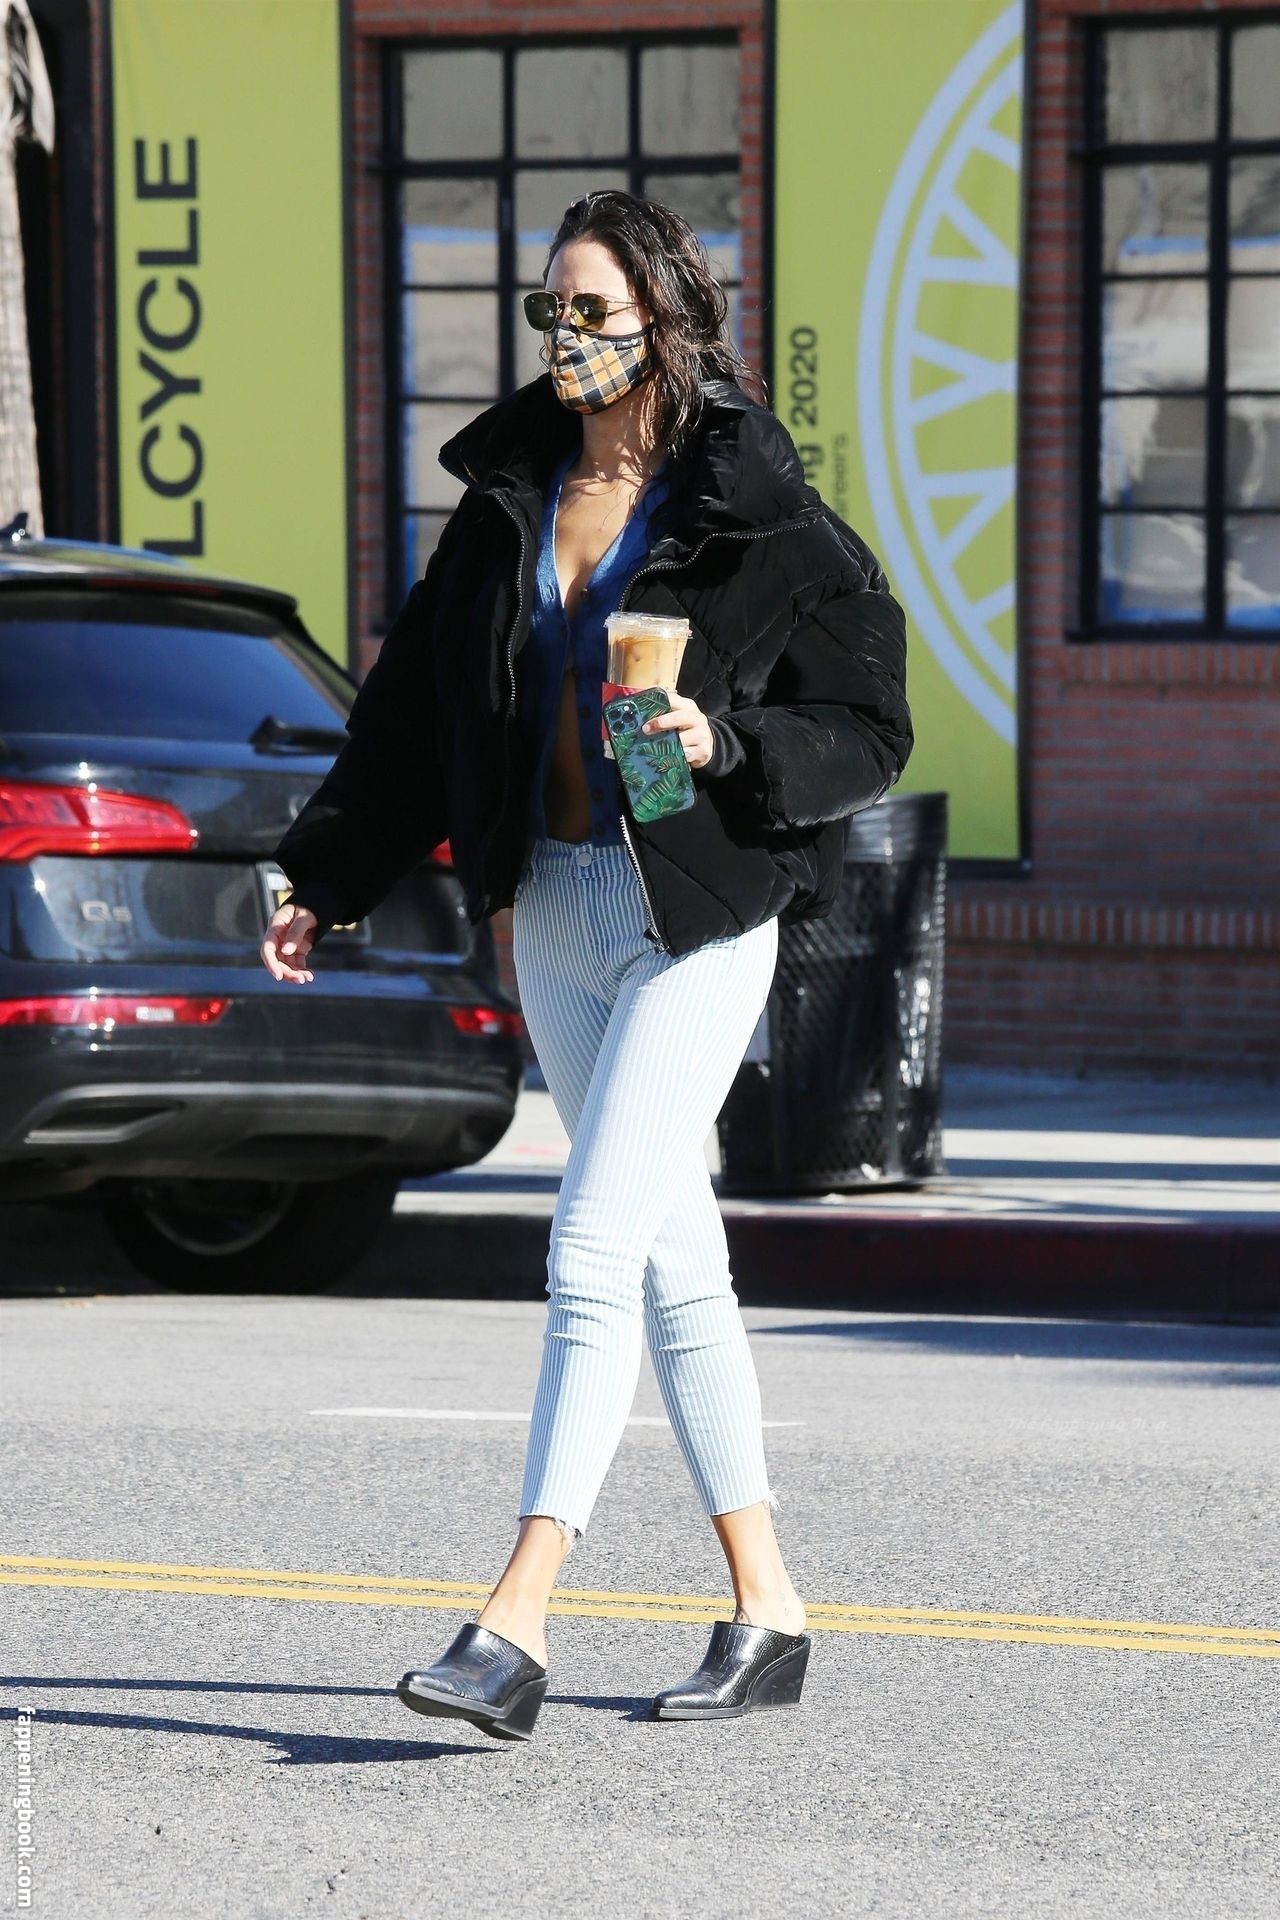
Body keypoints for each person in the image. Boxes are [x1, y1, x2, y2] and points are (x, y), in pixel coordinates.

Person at [261, 190, 913, 1743]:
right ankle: (768, 1609)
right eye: (548, 308)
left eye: (594, 309)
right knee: (677, 1268)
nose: (566, 334)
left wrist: (726, 741)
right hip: (551, 908)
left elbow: (870, 725)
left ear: (663, 321)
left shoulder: (752, 509)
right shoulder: (509, 501)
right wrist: (324, 877)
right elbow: (411, 717)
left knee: (593, 1247)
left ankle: (516, 1617)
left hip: (696, 912)